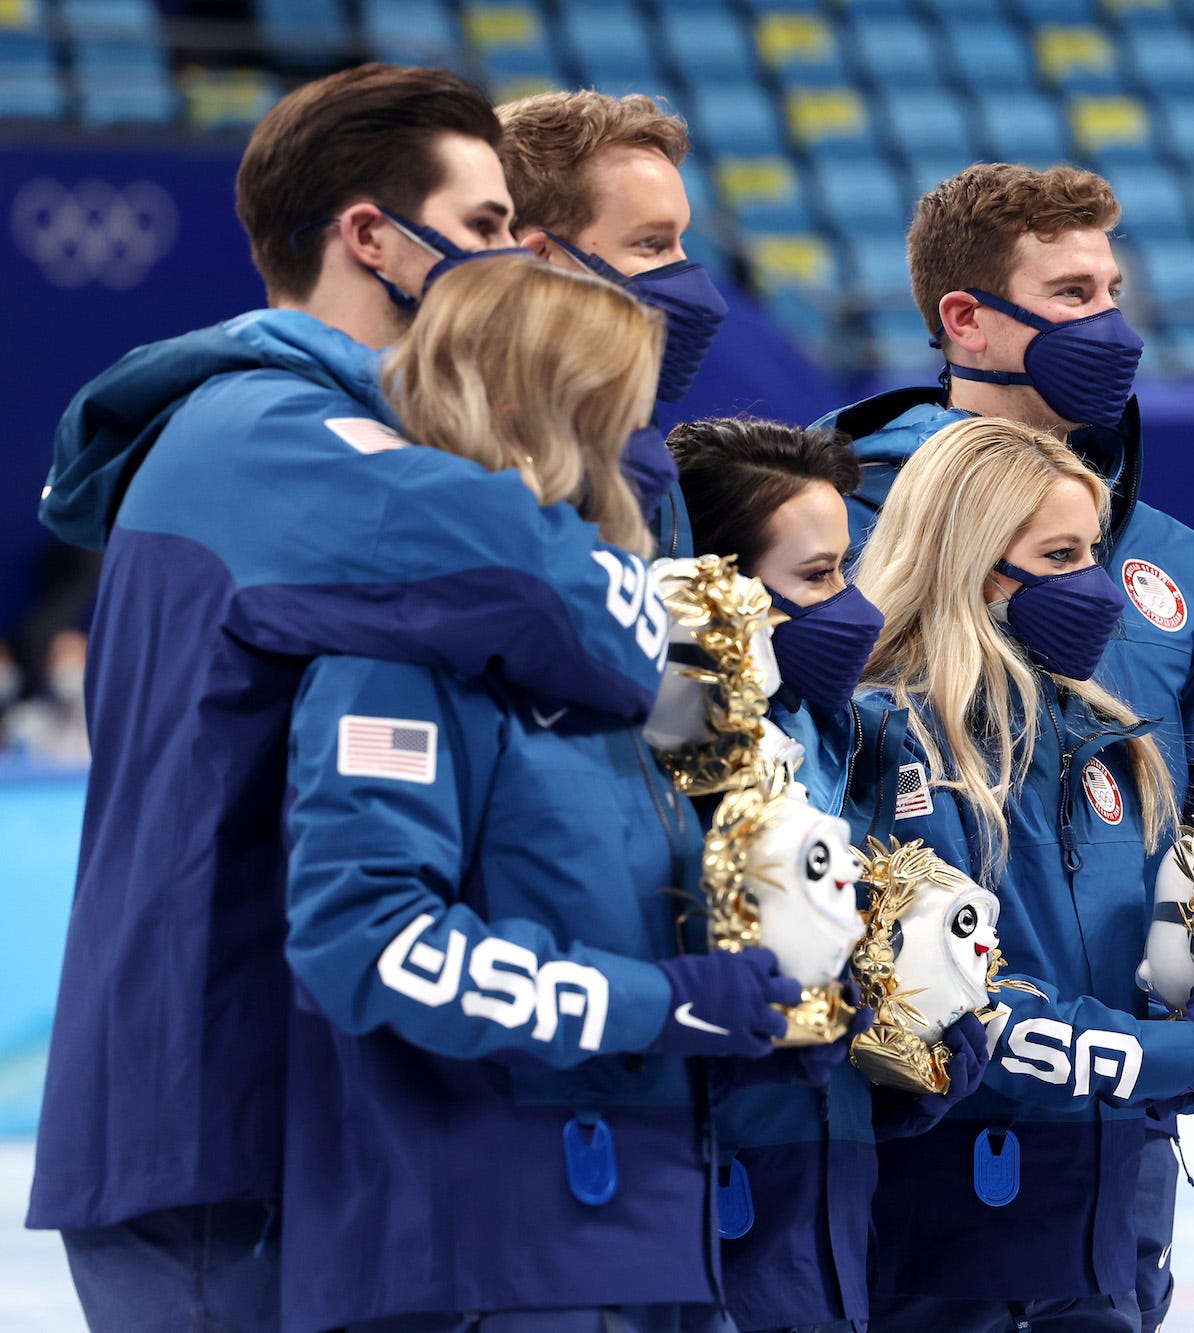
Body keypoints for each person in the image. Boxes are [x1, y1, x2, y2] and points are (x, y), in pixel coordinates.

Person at [33, 65, 699, 1329]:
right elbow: (592, 624)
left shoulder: (303, 425)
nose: (520, 261)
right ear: (369, 237)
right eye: (491, 225)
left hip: (281, 1112)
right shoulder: (269, 433)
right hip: (205, 1121)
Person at [816, 162, 1194, 1331]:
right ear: (965, 318)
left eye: (1112, 288)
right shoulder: (823, 510)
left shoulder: (1165, 553)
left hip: (1112, 1159)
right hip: (908, 1141)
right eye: (1070, 291)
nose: (1109, 324)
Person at [278, 256, 797, 1333]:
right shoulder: (397, 655)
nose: (645, 455)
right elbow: (367, 942)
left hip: (646, 1236)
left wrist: (773, 1009)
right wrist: (661, 1003)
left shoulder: (607, 669)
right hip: (481, 1254)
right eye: (618, 417)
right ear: (524, 416)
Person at [848, 415, 1194, 1333]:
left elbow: (1132, 969)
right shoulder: (892, 737)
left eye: (1094, 550)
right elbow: (961, 1006)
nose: (1097, 587)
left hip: (1104, 1237)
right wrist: (1175, 1054)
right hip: (944, 1251)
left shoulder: (1114, 741)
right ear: (968, 560)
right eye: (1060, 554)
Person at [670, 415, 991, 1333]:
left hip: (823, 1211)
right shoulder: (654, 764)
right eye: (816, 576)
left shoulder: (835, 736)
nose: (854, 606)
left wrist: (894, 1067)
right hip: (710, 1211)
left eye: (847, 566)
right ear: (717, 590)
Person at [498, 89, 729, 557]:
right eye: (650, 244)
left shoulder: (622, 412)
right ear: (539, 260)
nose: (688, 277)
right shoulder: (479, 449)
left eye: (680, 241)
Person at [4, 628, 90, 763]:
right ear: (47, 666)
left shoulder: (100, 723)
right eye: (60, 657)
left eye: (76, 658)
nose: (67, 666)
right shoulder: (27, 721)